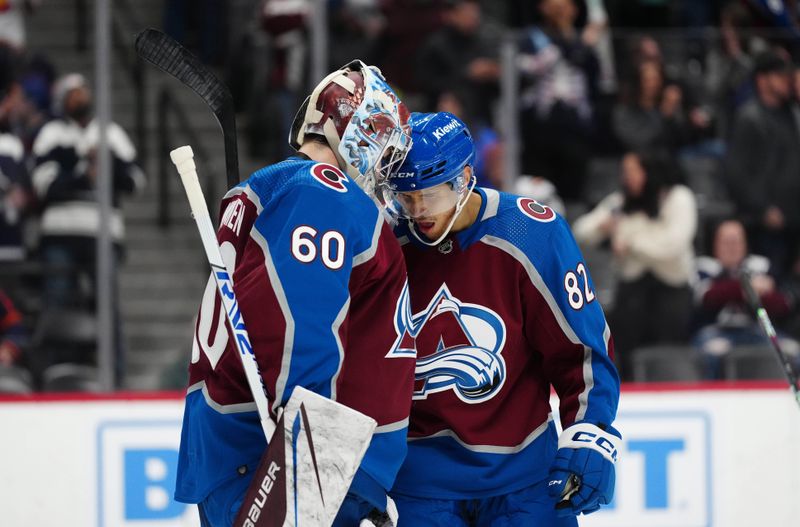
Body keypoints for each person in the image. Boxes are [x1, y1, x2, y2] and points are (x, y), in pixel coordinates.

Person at [174, 60, 417, 527]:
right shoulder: (325, 192)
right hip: (280, 464)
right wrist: (314, 466)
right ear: (361, 132)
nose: (387, 170)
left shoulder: (273, 187)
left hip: (243, 454)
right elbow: (295, 322)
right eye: (386, 150)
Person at [382, 112, 620, 526]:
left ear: (464, 177)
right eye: (406, 196)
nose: (418, 210)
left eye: (431, 194)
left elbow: (580, 349)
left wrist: (591, 429)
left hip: (525, 479)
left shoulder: (531, 234)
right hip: (418, 484)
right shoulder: (385, 244)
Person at [572, 150, 697, 379]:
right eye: (625, 171)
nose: (627, 177)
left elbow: (672, 246)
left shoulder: (678, 198)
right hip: (632, 294)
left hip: (672, 292)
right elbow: (581, 231)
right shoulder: (619, 202)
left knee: (668, 357)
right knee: (626, 354)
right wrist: (603, 227)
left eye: (633, 171)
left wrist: (630, 242)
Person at [692, 219, 799, 379]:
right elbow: (707, 297)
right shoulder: (704, 267)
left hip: (759, 330)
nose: (732, 247)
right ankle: (717, 400)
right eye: (726, 242)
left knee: (793, 350)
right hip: (717, 331)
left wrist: (747, 291)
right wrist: (748, 288)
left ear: (745, 243)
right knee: (709, 353)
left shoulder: (761, 265)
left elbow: (783, 303)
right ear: (715, 244)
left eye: (736, 241)